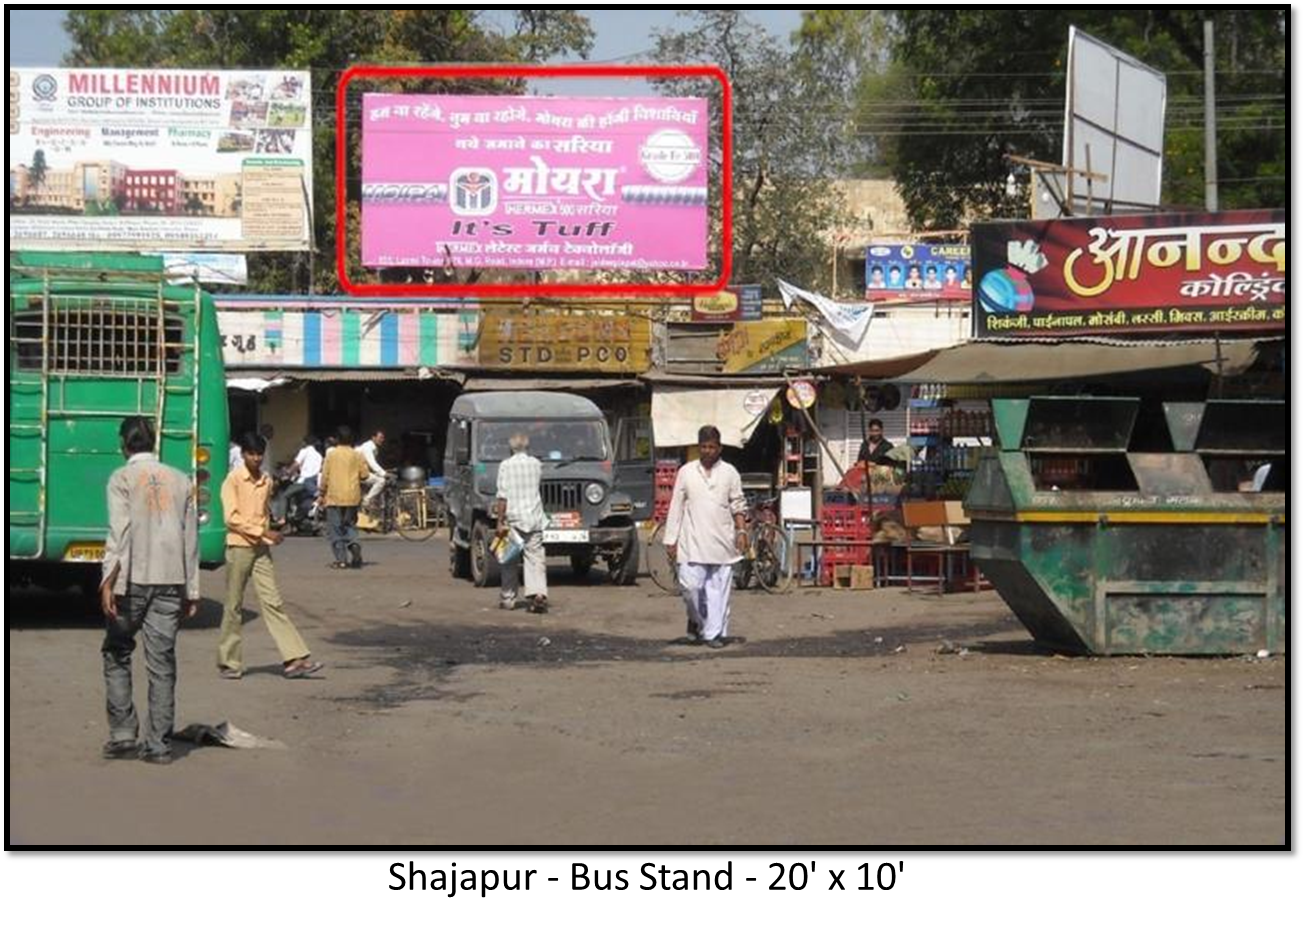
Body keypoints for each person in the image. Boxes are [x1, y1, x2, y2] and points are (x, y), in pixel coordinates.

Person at [99, 416, 200, 764]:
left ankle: (124, 734)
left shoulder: (121, 478)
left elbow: (118, 533)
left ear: (124, 444)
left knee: (117, 651)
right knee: (162, 663)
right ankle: (158, 745)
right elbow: (191, 538)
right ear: (154, 441)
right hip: (170, 580)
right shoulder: (181, 480)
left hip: (132, 580)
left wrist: (107, 581)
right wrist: (192, 590)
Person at [218, 432, 323, 680]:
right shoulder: (232, 480)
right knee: (233, 605)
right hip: (239, 546)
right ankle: (229, 662)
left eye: (259, 454)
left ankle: (294, 658)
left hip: (261, 548)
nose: (255, 458)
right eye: (251, 453)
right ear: (243, 454)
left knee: (273, 601)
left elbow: (262, 511)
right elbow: (231, 518)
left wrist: (273, 526)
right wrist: (263, 531)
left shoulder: (266, 480)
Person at [663, 425, 748, 649]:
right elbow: (676, 506)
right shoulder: (686, 472)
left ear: (719, 448)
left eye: (712, 447)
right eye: (703, 447)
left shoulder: (730, 472)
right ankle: (695, 620)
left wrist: (741, 531)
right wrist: (670, 539)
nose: (707, 451)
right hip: (692, 542)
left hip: (723, 542)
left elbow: (738, 504)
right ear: (698, 447)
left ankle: (714, 634)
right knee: (690, 587)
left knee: (718, 591)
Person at [495, 432, 549, 614]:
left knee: (509, 559)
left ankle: (508, 598)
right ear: (527, 447)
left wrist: (500, 521)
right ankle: (538, 593)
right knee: (535, 559)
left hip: (514, 519)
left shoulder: (505, 466)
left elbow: (502, 497)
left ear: (511, 448)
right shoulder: (536, 464)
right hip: (534, 518)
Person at [318, 425, 369, 569]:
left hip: (334, 497)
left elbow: (325, 476)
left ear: (336, 439)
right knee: (350, 525)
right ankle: (354, 545)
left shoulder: (331, 454)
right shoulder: (357, 455)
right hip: (352, 496)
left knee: (335, 528)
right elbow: (365, 475)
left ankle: (341, 560)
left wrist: (321, 493)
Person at [272, 434, 323, 524]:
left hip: (303, 481)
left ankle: (282, 518)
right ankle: (298, 519)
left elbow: (296, 465)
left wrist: (287, 472)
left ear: (304, 442)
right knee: (300, 499)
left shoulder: (304, 451)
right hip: (313, 483)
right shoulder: (319, 456)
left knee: (285, 496)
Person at [358, 428, 388, 513]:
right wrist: (383, 473)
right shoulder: (368, 447)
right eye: (380, 437)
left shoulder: (374, 448)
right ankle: (366, 501)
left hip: (362, 471)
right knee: (381, 481)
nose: (382, 440)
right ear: (373, 438)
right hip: (358, 472)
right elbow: (372, 463)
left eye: (383, 438)